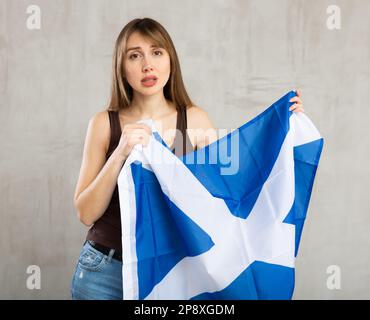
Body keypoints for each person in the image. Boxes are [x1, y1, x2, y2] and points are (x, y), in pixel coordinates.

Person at [70, 17, 305, 300]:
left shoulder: (194, 121)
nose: (147, 64)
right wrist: (121, 151)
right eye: (135, 55)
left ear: (170, 60)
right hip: (104, 272)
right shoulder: (104, 124)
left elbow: (231, 193)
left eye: (157, 52)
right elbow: (86, 213)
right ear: (122, 67)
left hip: (169, 274)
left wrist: (282, 126)